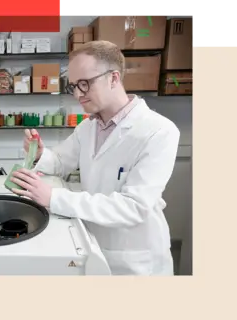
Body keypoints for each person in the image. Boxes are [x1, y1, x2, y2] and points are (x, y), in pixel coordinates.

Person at [10, 40, 180, 276]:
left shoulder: (159, 131)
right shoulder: (88, 128)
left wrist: (53, 197)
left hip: (136, 259)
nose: (78, 94)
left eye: (85, 84)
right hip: (93, 244)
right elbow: (60, 162)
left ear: (114, 78)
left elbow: (134, 207)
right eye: (73, 87)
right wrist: (39, 153)